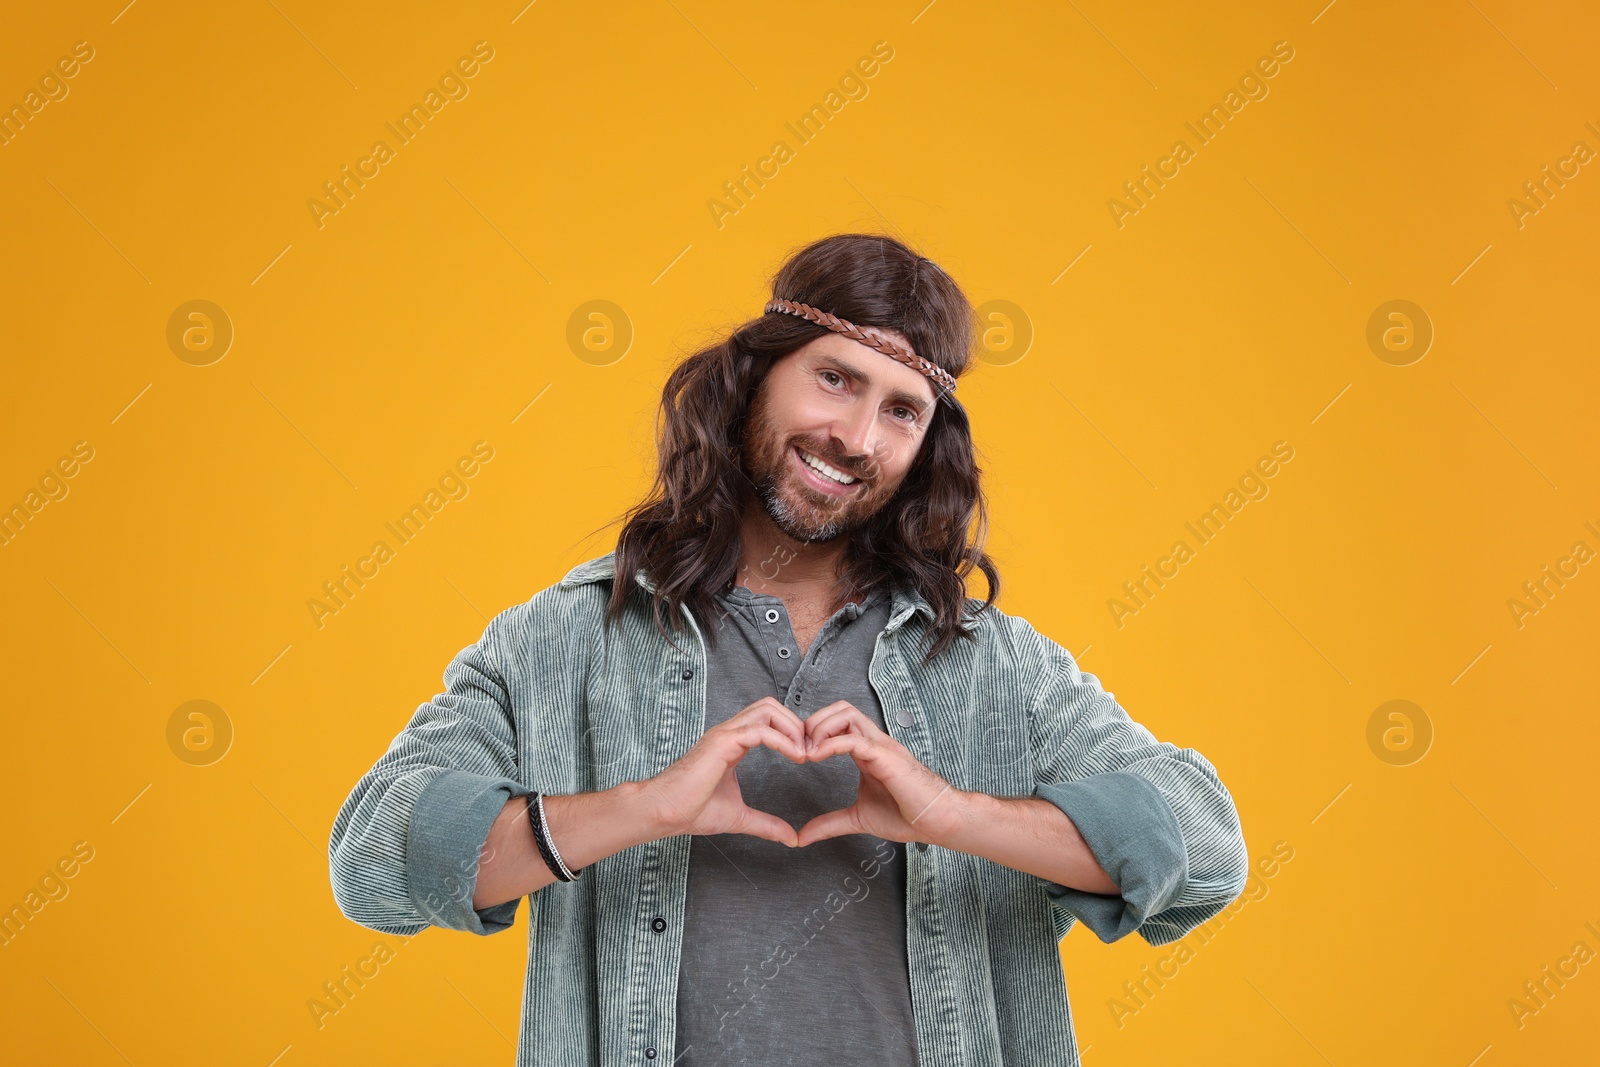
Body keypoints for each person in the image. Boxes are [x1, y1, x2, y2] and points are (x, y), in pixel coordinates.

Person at [328, 233, 1250, 1067]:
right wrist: (640, 808)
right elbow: (373, 857)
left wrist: (950, 813)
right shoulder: (560, 640)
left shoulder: (995, 665)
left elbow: (1206, 845)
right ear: (755, 377)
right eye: (835, 379)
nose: (856, 439)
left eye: (903, 411)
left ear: (929, 447)